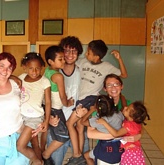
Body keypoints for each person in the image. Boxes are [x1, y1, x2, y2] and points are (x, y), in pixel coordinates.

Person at [65, 39, 128, 164]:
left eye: (88, 53)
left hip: (91, 98)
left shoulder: (106, 67)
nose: (86, 55)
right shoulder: (82, 61)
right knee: (79, 125)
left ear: (97, 56)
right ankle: (80, 155)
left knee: (72, 124)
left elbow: (124, 75)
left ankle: (77, 154)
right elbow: (69, 62)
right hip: (80, 98)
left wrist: (119, 58)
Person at [47, 36, 89, 165]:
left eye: (74, 51)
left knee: (83, 160)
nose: (70, 55)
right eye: (67, 51)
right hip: (57, 123)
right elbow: (43, 98)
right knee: (55, 161)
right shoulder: (53, 73)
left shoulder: (82, 70)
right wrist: (47, 117)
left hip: (78, 123)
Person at [0, 52, 29, 165]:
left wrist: (35, 124)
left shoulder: (16, 84)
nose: (5, 71)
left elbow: (27, 105)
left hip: (18, 138)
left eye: (9, 68)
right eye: (1, 65)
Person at [16, 52, 51, 165]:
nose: (34, 71)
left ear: (42, 68)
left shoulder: (44, 81)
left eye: (37, 68)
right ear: (24, 67)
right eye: (31, 68)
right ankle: (40, 161)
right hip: (22, 117)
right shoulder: (21, 78)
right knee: (35, 143)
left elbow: (49, 102)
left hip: (34, 118)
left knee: (20, 146)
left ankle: (37, 162)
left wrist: (46, 120)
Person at [42, 45, 74, 165]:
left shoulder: (47, 71)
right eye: (60, 59)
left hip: (47, 107)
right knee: (63, 137)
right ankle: (45, 155)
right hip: (56, 110)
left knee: (55, 134)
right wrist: (68, 103)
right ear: (51, 61)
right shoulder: (59, 76)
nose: (64, 61)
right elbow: (62, 96)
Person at [80, 95, 124, 165]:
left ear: (97, 108)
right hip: (118, 147)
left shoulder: (98, 120)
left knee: (86, 156)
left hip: (104, 149)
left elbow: (82, 121)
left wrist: (91, 110)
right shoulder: (119, 114)